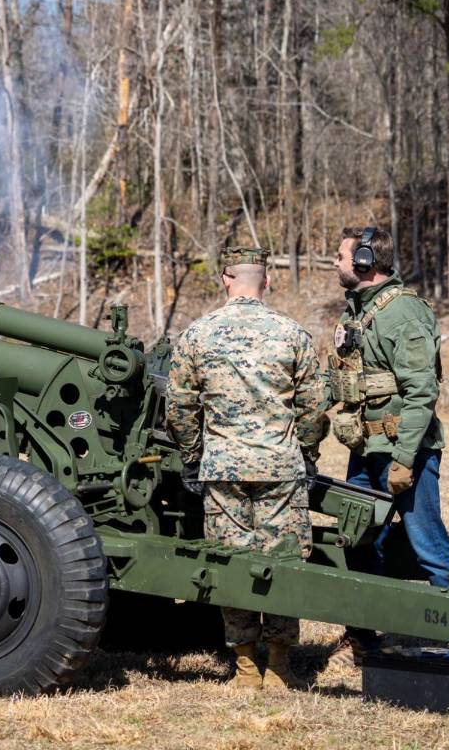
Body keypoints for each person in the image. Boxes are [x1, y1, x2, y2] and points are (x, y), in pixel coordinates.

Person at [166, 247, 328, 690]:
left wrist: (194, 456)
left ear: (225, 278)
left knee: (232, 562)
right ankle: (278, 665)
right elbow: (315, 405)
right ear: (267, 282)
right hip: (281, 467)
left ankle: (244, 667)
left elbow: (179, 407)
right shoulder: (291, 333)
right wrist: (307, 453)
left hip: (223, 470)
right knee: (283, 561)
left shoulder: (198, 335)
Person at [326, 226, 449, 666]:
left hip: (406, 451)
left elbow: (422, 392)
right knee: (360, 542)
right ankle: (364, 636)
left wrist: (404, 459)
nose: (335, 262)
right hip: (366, 450)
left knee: (426, 540)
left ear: (366, 262)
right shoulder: (355, 313)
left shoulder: (403, 314)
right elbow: (347, 382)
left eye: (341, 255)